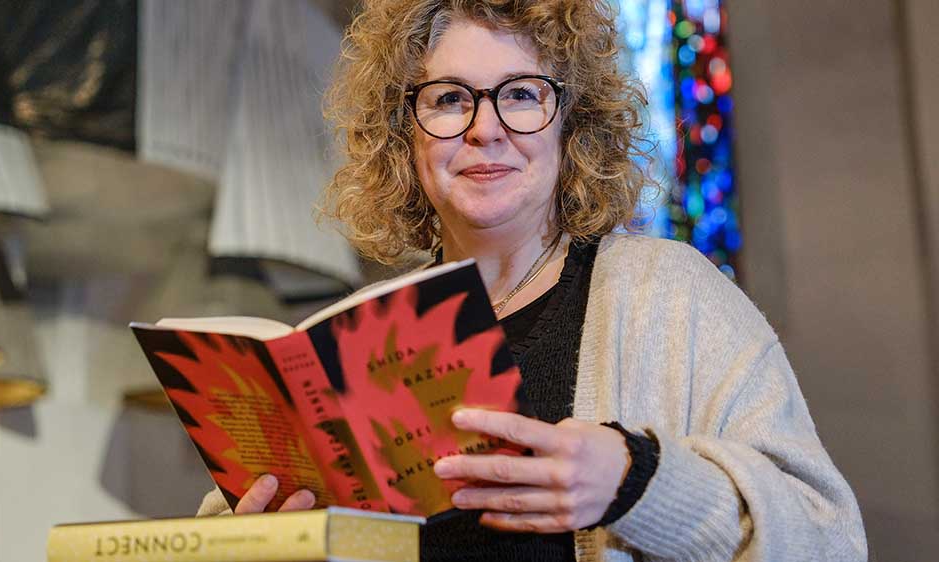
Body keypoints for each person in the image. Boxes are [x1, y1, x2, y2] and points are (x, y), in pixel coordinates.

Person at [197, 1, 868, 560]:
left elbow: (831, 540)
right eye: (450, 98)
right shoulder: (357, 338)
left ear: (572, 123)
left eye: (521, 94)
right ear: (404, 134)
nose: (485, 128)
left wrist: (639, 482)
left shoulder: (669, 296)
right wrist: (252, 541)